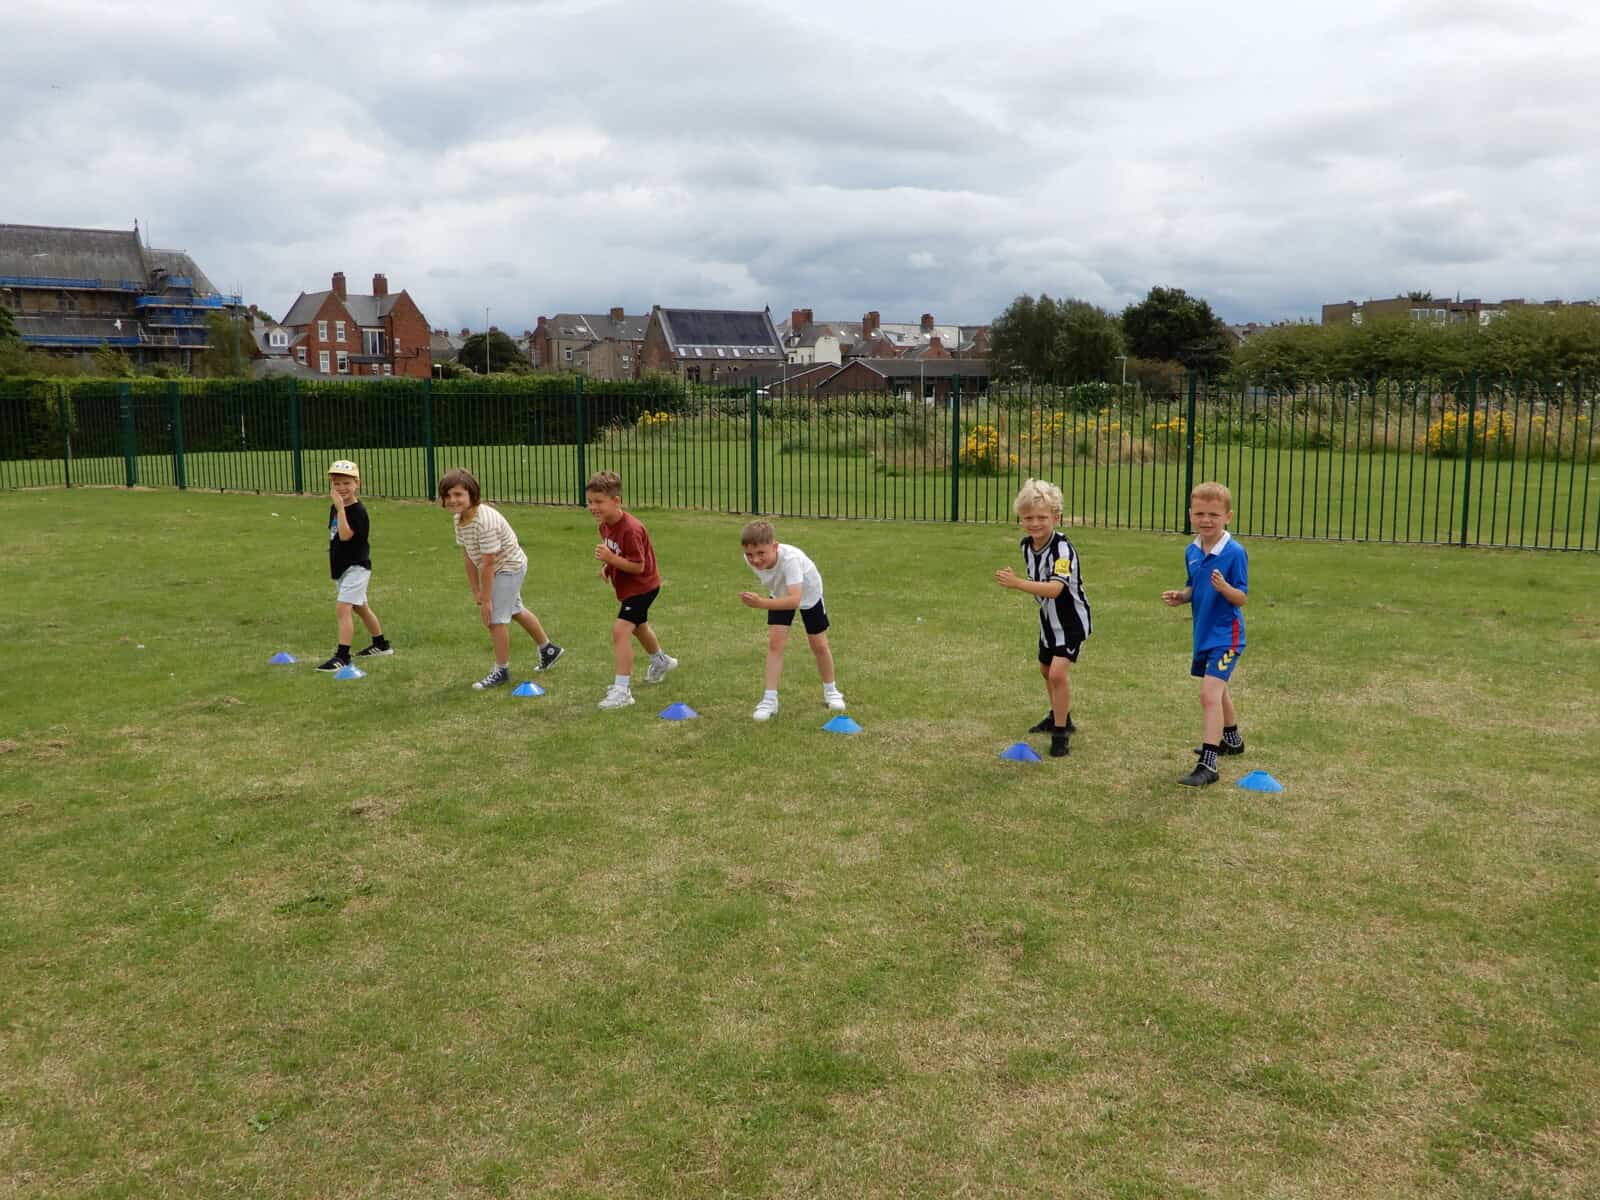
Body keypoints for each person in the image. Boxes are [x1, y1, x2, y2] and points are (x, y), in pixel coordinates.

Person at [438, 468, 563, 690]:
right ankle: (549, 649)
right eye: (447, 495)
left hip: (509, 567)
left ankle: (501, 671)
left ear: (472, 494)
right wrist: (475, 590)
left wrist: (487, 601)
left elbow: (489, 563)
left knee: (495, 619)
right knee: (515, 610)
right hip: (496, 567)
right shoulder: (459, 518)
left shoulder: (484, 521)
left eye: (458, 494)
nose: (452, 500)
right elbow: (468, 555)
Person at [994, 478, 1090, 758]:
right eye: (1028, 518)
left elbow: (1055, 588)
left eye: (1041, 517)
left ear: (1055, 517)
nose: (1034, 523)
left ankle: (1060, 734)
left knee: (1058, 673)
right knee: (1046, 670)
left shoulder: (1063, 550)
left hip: (1071, 622)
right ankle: (1059, 715)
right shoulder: (1027, 546)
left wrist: (1017, 583)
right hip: (1048, 620)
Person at [1162, 481, 1248, 786]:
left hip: (1227, 637)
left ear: (1228, 517)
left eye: (1214, 514)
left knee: (1208, 694)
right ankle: (1232, 740)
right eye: (1200, 514)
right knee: (1218, 688)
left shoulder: (1234, 552)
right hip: (1204, 633)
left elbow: (1241, 597)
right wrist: (1182, 596)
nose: (1206, 520)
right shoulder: (1192, 550)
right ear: (1190, 515)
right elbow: (1193, 585)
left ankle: (1208, 764)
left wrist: (1225, 588)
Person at [738, 520, 847, 721]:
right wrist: (769, 599)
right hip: (780, 594)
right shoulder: (750, 558)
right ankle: (770, 700)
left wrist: (760, 603)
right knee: (775, 644)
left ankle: (831, 692)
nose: (755, 559)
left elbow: (795, 600)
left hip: (809, 593)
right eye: (750, 554)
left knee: (819, 645)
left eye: (761, 553)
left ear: (775, 546)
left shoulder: (791, 560)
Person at [586, 470, 675, 710]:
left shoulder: (631, 529)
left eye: (598, 502)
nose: (593, 507)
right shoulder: (605, 525)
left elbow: (638, 566)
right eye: (590, 502)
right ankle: (661, 661)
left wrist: (610, 559)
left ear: (616, 501)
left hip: (643, 587)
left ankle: (622, 691)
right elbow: (618, 554)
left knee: (621, 630)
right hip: (631, 588)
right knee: (639, 627)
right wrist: (608, 566)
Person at [318, 459, 391, 671]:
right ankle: (381, 644)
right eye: (336, 483)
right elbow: (335, 538)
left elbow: (345, 535)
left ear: (357, 483)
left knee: (343, 608)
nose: (341, 488)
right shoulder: (335, 508)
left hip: (356, 567)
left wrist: (341, 509)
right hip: (342, 567)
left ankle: (343, 656)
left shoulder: (358, 511)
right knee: (360, 607)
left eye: (346, 483)